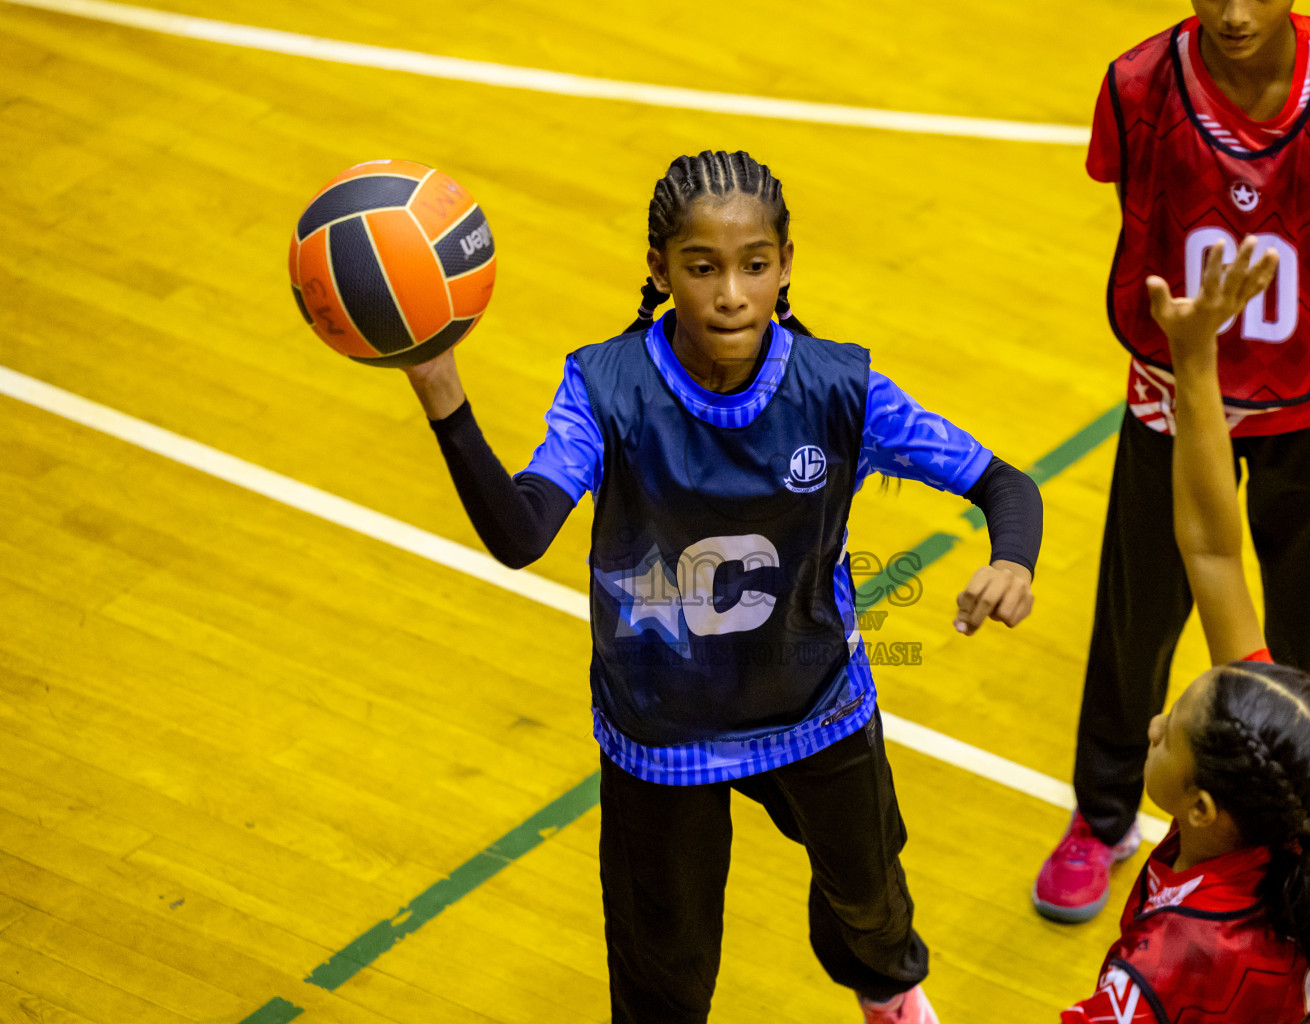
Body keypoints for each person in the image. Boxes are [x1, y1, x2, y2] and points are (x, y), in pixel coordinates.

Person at [399, 151, 1045, 1024]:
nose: (732, 294)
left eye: (755, 266)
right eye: (701, 269)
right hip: (664, 733)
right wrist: (441, 387)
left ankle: (887, 991)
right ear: (659, 272)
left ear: (786, 268)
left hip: (814, 703)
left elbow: (1006, 484)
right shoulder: (605, 391)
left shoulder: (840, 389)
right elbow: (520, 535)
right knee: (664, 971)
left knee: (874, 903)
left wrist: (1011, 559)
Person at [1035, 0, 1310, 923]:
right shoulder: (1135, 85)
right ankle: (1106, 808)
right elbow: (1141, 219)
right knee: (1139, 609)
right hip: (1173, 386)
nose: (1234, 14)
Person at [1062, 237, 1310, 1023]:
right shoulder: (1300, 822)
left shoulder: (1166, 969)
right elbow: (1211, 549)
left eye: (1166, 738)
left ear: (1203, 810)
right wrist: (1195, 362)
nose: (1156, 723)